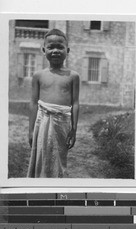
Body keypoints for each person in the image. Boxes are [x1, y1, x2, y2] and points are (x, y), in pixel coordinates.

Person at [27, 29, 80, 178]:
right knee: (40, 155)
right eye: (51, 47)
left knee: (59, 157)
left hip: (62, 123)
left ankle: (57, 184)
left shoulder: (73, 76)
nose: (55, 50)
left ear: (67, 50)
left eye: (60, 47)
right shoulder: (38, 75)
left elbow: (75, 103)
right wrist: (31, 130)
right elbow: (33, 103)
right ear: (44, 50)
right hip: (42, 121)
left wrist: (74, 129)